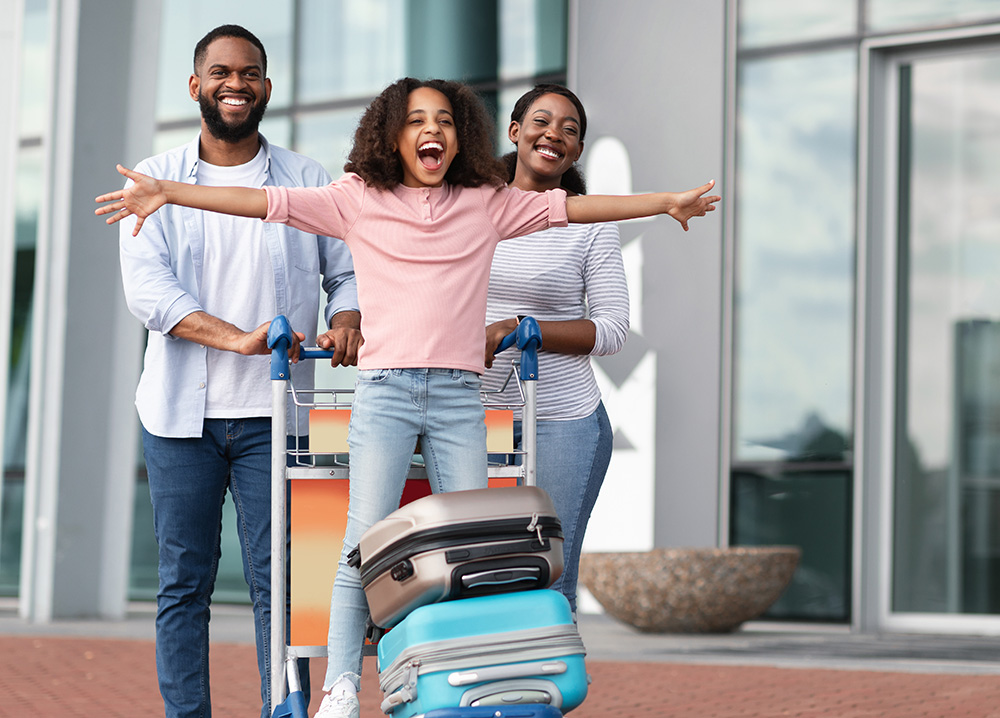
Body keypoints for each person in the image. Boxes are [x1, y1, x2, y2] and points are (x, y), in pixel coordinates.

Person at [95, 76, 720, 718]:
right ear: (392, 135)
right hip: (385, 395)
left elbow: (577, 210)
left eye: (445, 120)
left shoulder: (487, 202)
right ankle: (341, 687)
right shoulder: (356, 199)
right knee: (359, 543)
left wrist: (664, 202)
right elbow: (264, 203)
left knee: (472, 544)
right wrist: (167, 190)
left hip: (459, 399)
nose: (433, 130)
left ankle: (466, 682)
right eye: (417, 119)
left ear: (462, 137)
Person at [113, 24, 361, 718]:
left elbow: (347, 274)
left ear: (267, 89)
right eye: (221, 72)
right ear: (195, 86)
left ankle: (282, 708)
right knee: (182, 584)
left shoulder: (309, 180)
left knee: (281, 584)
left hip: (278, 416)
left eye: (250, 73)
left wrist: (346, 320)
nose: (236, 84)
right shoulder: (155, 179)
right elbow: (151, 297)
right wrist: (238, 340)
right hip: (178, 417)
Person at [483, 84, 627, 616]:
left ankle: (539, 698)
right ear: (516, 132)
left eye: (570, 130)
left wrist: (525, 328)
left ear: (578, 151)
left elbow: (612, 330)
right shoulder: (470, 207)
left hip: (563, 420)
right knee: (474, 572)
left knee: (546, 577)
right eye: (542, 122)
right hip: (469, 416)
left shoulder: (588, 222)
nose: (555, 135)